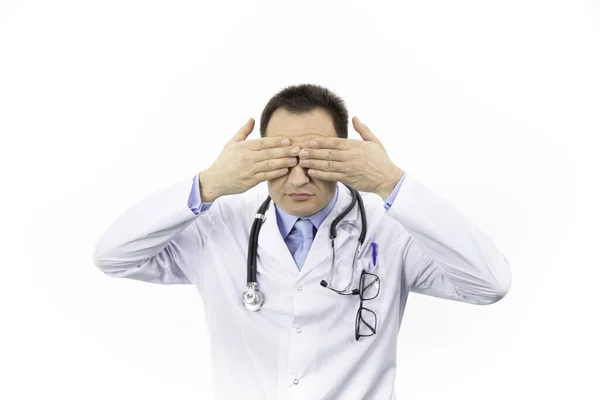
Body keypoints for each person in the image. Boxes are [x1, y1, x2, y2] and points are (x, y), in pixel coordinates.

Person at [92, 83, 511, 400]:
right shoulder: (216, 228)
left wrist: (390, 182)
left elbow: (489, 284)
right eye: (281, 159)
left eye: (316, 159)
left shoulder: (392, 231)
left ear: (344, 155)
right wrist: (207, 185)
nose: (297, 179)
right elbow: (113, 256)